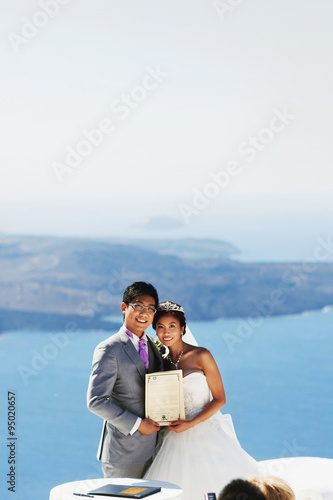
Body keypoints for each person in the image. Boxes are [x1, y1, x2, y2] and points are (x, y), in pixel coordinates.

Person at [144, 301, 260, 500]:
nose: (166, 332)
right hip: (174, 437)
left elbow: (220, 399)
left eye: (172, 326)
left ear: (182, 328)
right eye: (160, 327)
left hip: (206, 434)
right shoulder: (161, 363)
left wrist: (190, 424)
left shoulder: (201, 355)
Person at [87, 281, 163, 478]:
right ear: (124, 307)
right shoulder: (109, 349)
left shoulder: (154, 345)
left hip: (157, 449)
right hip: (122, 454)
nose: (144, 313)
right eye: (138, 306)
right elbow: (96, 401)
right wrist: (138, 424)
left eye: (150, 309)